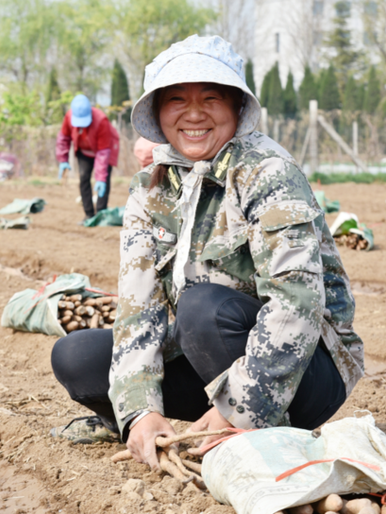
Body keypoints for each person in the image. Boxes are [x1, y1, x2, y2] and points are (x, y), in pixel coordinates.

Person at [49, 35, 364, 470]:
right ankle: (190, 422)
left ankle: (261, 426)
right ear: (158, 113)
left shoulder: (267, 173)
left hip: (305, 369)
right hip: (207, 353)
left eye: (211, 98)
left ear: (236, 107)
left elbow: (297, 303)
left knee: (202, 307)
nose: (194, 113)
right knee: (76, 358)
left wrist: (243, 405)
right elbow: (139, 309)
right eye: (176, 99)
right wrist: (141, 410)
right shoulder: (151, 189)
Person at [56, 94, 120, 222]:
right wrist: (63, 159)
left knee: (104, 180)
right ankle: (89, 214)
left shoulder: (101, 120)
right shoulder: (69, 117)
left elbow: (103, 153)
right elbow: (63, 138)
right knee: (84, 178)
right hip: (84, 150)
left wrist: (100, 178)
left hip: (105, 149)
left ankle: (101, 214)